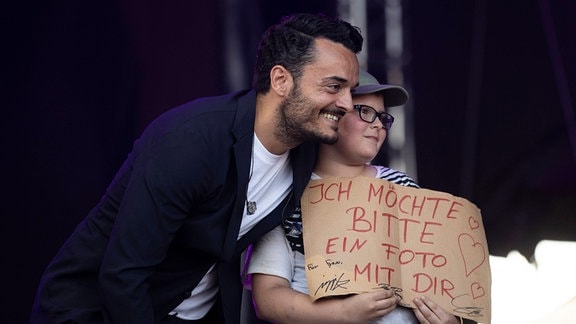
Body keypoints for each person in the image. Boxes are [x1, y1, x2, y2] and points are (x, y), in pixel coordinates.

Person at [31, 13, 364, 324]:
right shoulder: (190, 141)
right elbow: (123, 274)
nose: (348, 104)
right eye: (334, 87)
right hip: (96, 310)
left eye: (351, 90)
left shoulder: (306, 150)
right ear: (280, 80)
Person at [247, 70, 464, 324]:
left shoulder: (404, 188)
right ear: (332, 113)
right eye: (365, 112)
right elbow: (267, 299)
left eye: (383, 117)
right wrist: (344, 313)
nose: (378, 124)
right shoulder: (286, 195)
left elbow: (441, 283)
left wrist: (451, 320)